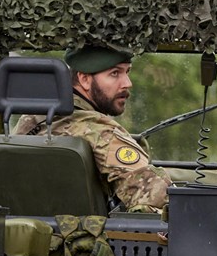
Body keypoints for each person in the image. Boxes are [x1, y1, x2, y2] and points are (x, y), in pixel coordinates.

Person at [16, 46, 171, 212]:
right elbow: (156, 192)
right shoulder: (100, 132)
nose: (127, 83)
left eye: (127, 72)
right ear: (84, 79)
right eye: (115, 73)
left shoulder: (29, 122)